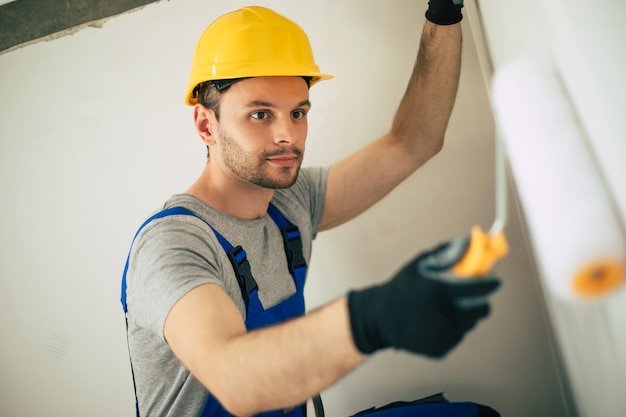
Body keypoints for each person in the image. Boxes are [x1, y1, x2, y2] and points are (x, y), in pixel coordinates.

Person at [121, 2, 501, 417]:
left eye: (298, 112)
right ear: (205, 126)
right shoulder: (172, 245)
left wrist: (444, 12)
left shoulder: (289, 201)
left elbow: (413, 142)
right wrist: (371, 317)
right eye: (260, 114)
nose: (288, 135)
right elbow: (236, 380)